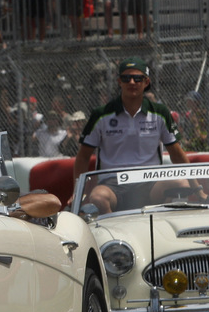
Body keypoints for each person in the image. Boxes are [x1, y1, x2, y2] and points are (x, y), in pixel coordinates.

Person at [71, 58, 197, 213]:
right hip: (112, 183)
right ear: (119, 82)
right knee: (98, 198)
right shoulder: (101, 114)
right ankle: (114, 236)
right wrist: (77, 192)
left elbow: (177, 154)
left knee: (181, 184)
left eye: (138, 78)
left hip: (150, 181)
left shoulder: (160, 112)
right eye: (126, 78)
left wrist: (197, 189)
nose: (132, 82)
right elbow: (83, 157)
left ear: (146, 82)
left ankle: (160, 228)